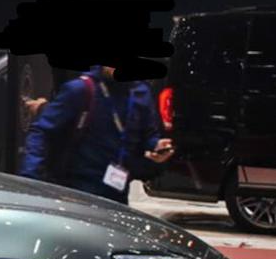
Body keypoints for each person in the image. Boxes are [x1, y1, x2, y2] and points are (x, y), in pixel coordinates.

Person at [19, 64, 173, 203]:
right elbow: (41, 132)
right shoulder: (81, 89)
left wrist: (156, 146)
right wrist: (30, 179)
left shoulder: (140, 92)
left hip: (117, 191)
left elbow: (148, 134)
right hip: (76, 191)